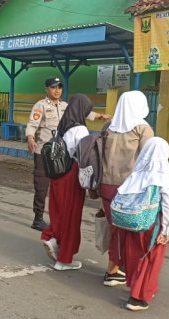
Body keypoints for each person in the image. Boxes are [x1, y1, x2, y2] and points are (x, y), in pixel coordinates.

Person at [26, 77, 111, 231]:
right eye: (53, 87)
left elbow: (84, 111)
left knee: (57, 187)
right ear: (47, 89)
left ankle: (55, 217)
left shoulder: (66, 105)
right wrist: (30, 137)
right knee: (41, 186)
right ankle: (38, 217)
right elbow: (32, 124)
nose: (57, 90)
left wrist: (101, 116)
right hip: (44, 153)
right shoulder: (41, 106)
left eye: (59, 87)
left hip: (61, 154)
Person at [99, 91, 154, 287]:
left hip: (106, 185)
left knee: (115, 229)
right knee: (132, 233)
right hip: (130, 189)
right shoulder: (142, 129)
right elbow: (150, 160)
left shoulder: (109, 127)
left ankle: (113, 268)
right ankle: (126, 273)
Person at [117, 137, 169, 311]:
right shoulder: (163, 174)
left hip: (132, 221)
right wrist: (165, 229)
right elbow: (168, 204)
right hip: (152, 223)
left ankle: (139, 287)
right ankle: (138, 297)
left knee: (134, 254)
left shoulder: (137, 170)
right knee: (150, 258)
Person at [41, 94, 93, 271]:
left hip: (58, 175)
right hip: (72, 176)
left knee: (60, 212)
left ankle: (54, 239)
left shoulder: (63, 126)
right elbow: (84, 158)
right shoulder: (81, 130)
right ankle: (64, 259)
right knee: (71, 217)